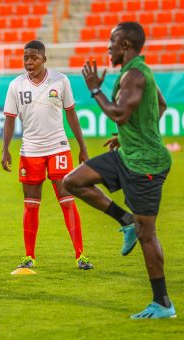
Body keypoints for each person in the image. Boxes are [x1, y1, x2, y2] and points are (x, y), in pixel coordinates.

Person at [63, 22, 176, 319]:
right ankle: (123, 219)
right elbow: (160, 105)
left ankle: (162, 304)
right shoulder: (136, 73)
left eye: (112, 42)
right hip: (129, 154)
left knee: (146, 234)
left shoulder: (136, 74)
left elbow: (119, 112)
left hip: (145, 165)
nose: (108, 48)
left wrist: (95, 90)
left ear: (125, 46)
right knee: (73, 181)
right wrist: (126, 136)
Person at [1, 40, 93, 271]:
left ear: (44, 59)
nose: (29, 62)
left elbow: (71, 114)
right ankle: (29, 256)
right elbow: (10, 119)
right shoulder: (15, 85)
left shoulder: (60, 81)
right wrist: (5, 150)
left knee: (67, 201)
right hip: (30, 150)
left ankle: (80, 255)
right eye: (25, 58)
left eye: (33, 58)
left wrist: (82, 146)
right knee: (31, 204)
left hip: (58, 147)